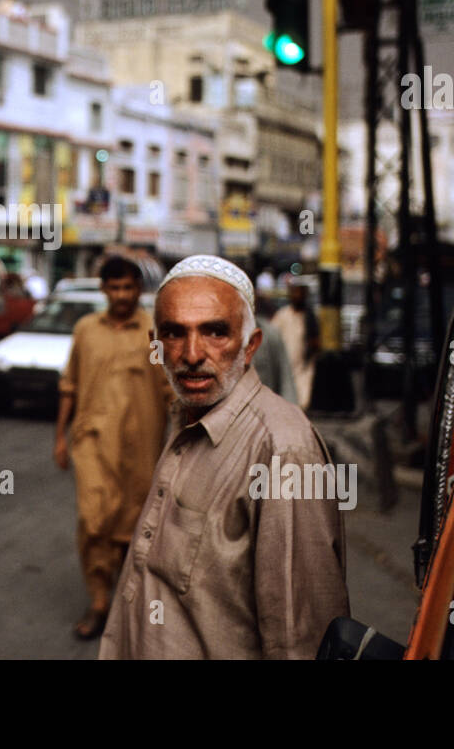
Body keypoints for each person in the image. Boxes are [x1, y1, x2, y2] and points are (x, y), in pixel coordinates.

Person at [99, 255, 349, 660]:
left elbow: (297, 638)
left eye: (215, 332)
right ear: (155, 346)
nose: (192, 353)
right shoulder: (186, 414)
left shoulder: (283, 449)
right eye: (175, 333)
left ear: (250, 345)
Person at [55, 255, 172, 640]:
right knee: (93, 521)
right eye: (114, 287)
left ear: (139, 289)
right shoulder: (86, 330)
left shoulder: (155, 332)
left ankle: (128, 602)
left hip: (143, 447)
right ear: (103, 289)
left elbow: (171, 390)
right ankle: (99, 600)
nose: (122, 295)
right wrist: (60, 436)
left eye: (128, 287)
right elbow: (70, 384)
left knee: (136, 527)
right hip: (91, 444)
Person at [271, 281, 320, 408]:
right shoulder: (283, 315)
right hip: (285, 363)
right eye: (295, 292)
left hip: (303, 367)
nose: (297, 296)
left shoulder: (310, 317)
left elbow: (315, 341)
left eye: (300, 292)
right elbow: (272, 336)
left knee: (302, 400)